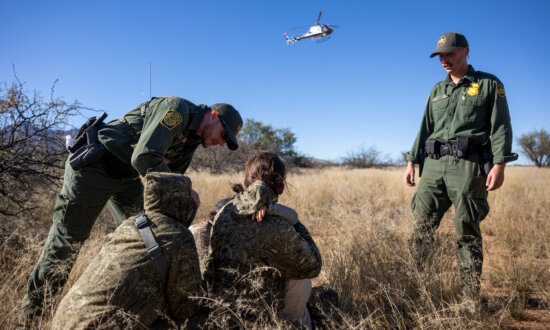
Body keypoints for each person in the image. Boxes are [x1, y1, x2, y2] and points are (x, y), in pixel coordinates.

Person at [21, 96, 243, 320]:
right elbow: (144, 157)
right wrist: (186, 189)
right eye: (224, 135)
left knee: (147, 239)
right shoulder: (177, 110)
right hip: (95, 166)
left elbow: (171, 179)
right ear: (213, 116)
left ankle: (121, 307)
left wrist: (182, 195)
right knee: (66, 242)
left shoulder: (195, 139)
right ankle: (31, 320)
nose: (222, 143)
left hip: (126, 177)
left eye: (227, 141)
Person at [404, 32, 517, 300]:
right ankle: (419, 291)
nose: (444, 59)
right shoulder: (437, 90)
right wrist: (411, 160)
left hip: (467, 165)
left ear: (466, 51)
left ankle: (468, 298)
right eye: (440, 55)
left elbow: (500, 126)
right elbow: (424, 128)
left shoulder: (489, 84)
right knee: (421, 225)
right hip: (432, 165)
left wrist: (499, 164)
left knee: (466, 228)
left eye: (450, 53)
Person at [51, 172, 201, 329]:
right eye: (189, 196)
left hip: (63, 320)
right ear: (178, 200)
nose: (195, 202)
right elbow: (186, 307)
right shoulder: (178, 235)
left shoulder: (130, 224)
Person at [203, 152, 322, 328]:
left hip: (218, 314)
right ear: (281, 188)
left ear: (245, 182)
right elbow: (314, 266)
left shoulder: (223, 213)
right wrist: (293, 220)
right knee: (300, 274)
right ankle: (301, 324)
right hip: (262, 319)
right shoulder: (277, 225)